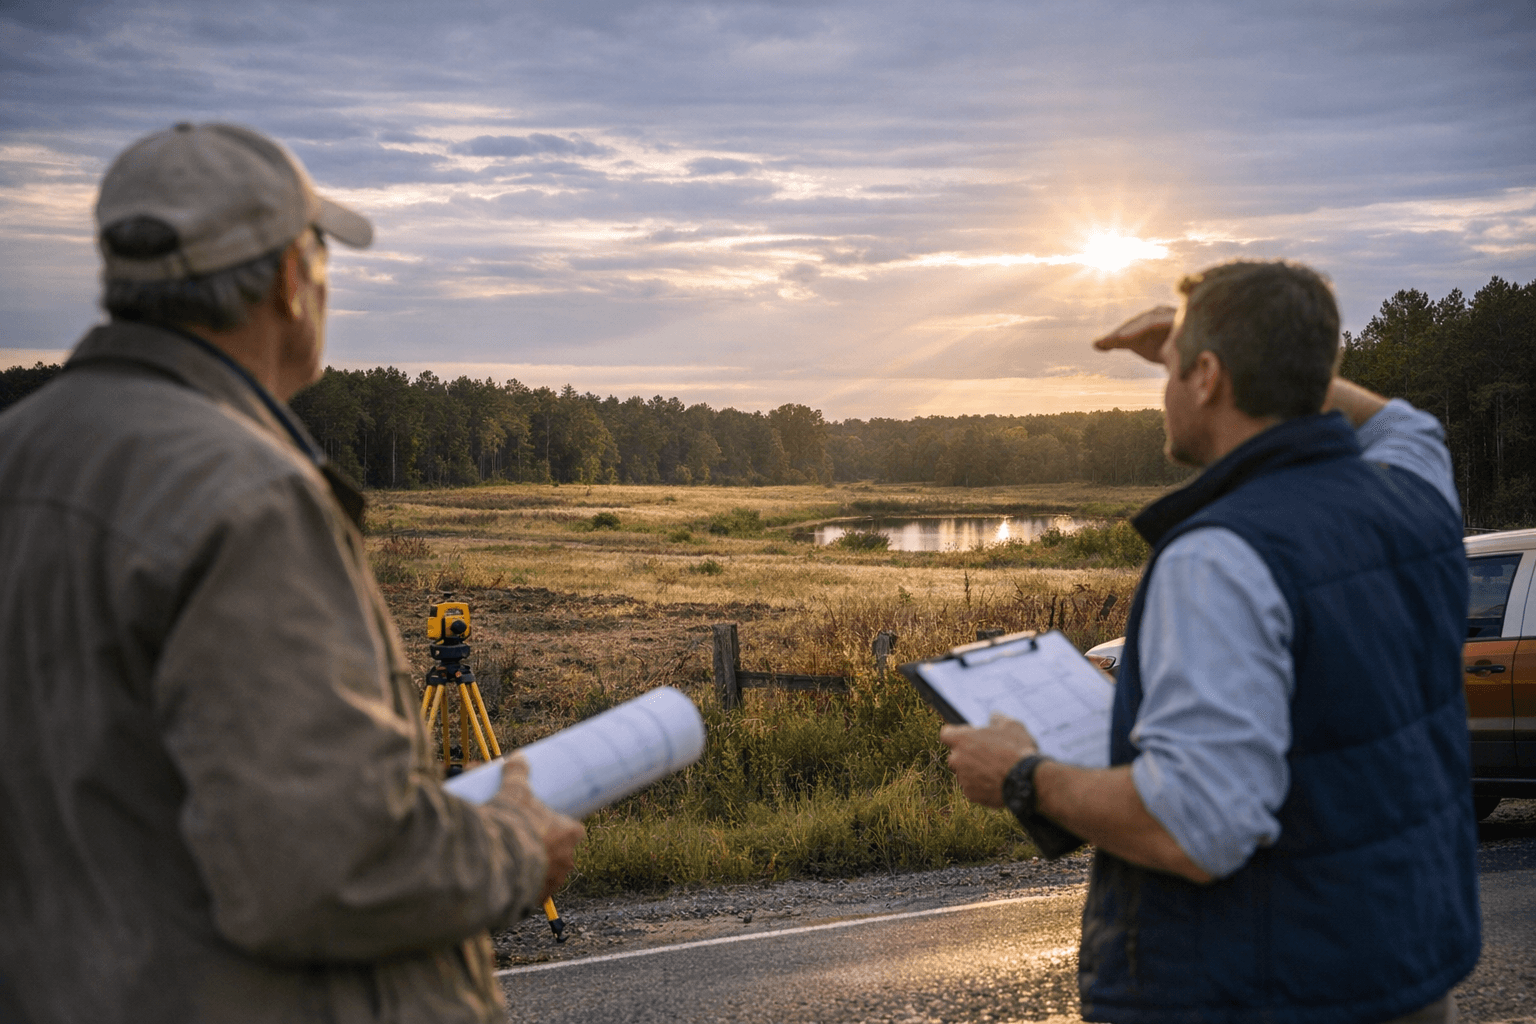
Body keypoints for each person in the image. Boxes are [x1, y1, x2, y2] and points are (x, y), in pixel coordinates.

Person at [0, 123, 584, 1023]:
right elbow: (330, 868)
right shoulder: (249, 496)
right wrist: (512, 845)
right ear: (288, 278)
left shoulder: (21, 455)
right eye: (319, 254)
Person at [942, 260, 1479, 1024]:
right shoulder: (1414, 490)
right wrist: (1273, 359)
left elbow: (1196, 825)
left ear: (1205, 376)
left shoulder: (1220, 557)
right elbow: (1403, 421)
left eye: (1174, 368)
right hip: (1405, 973)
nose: (1163, 388)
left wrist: (1024, 777)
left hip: (1257, 993)